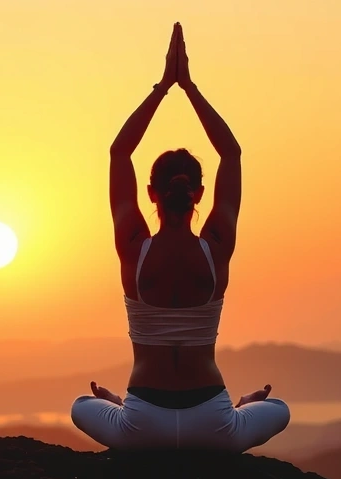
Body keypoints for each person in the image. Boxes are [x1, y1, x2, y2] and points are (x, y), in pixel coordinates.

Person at [70, 23, 290, 452]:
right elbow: (231, 154)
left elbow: (119, 152)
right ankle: (241, 409)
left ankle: (120, 408)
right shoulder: (216, 246)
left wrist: (163, 87)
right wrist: (189, 87)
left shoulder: (134, 246)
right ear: (199, 194)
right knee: (278, 408)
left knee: (81, 405)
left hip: (142, 423)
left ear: (151, 192)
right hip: (212, 422)